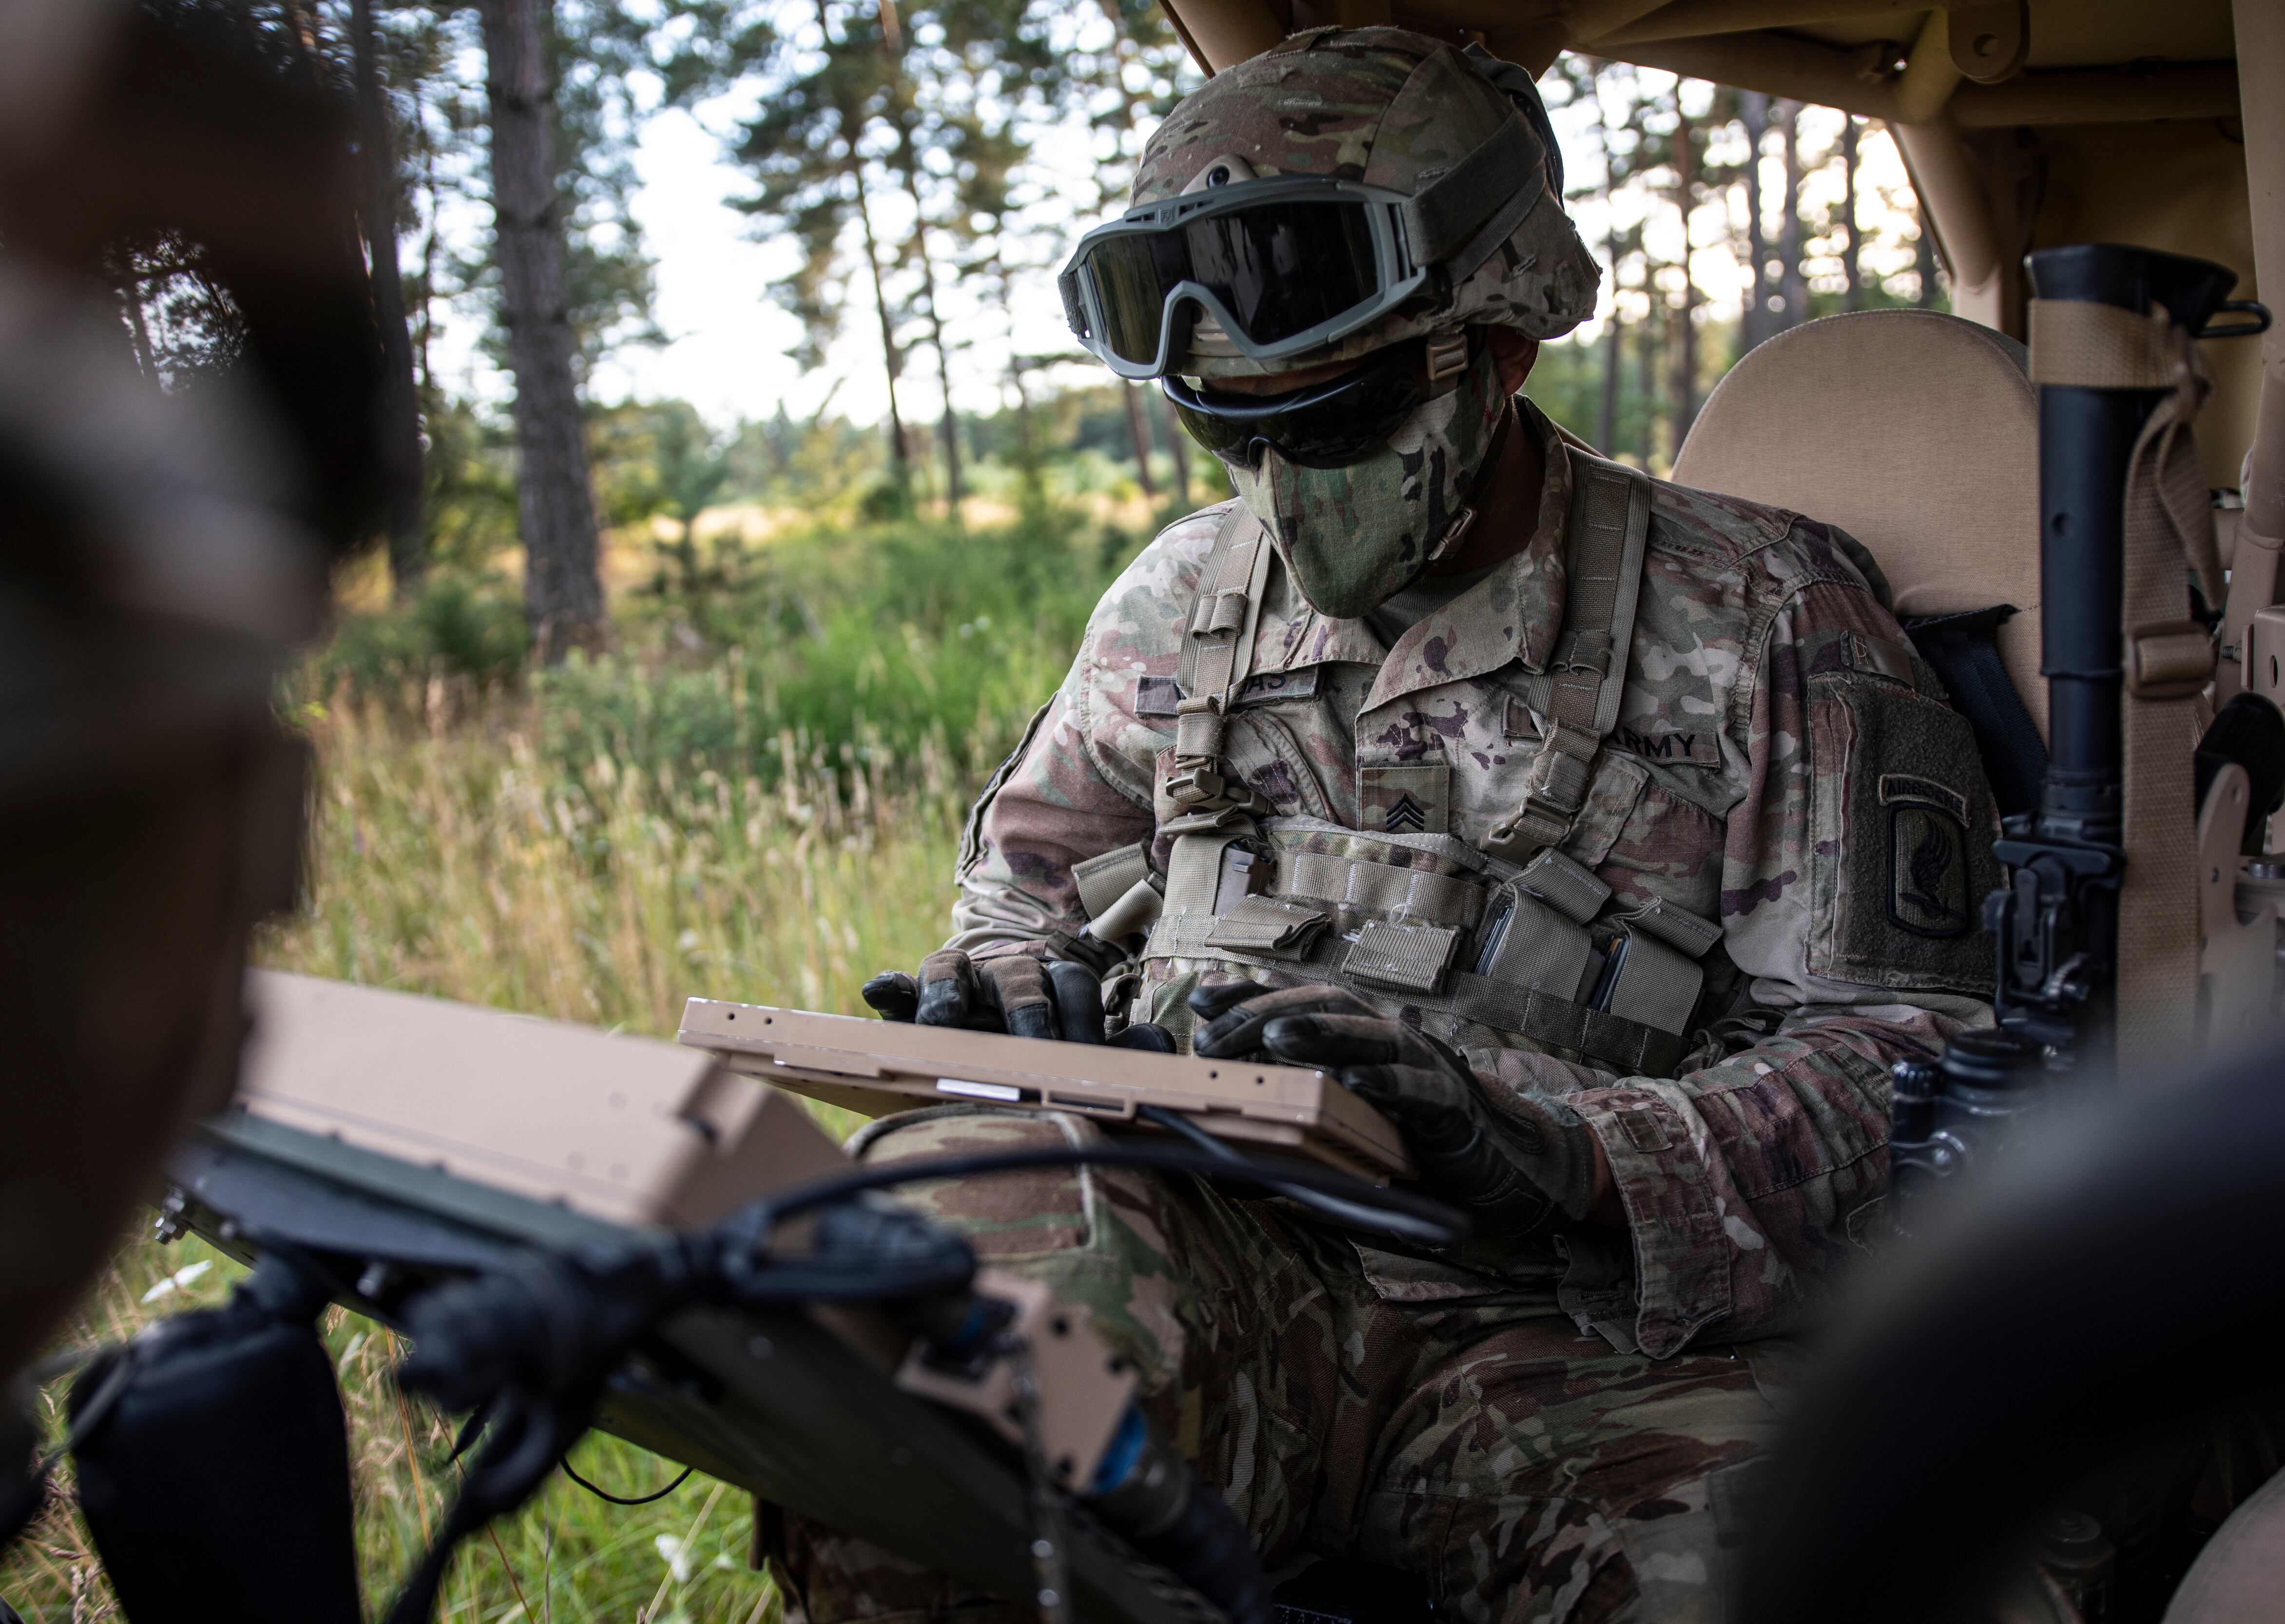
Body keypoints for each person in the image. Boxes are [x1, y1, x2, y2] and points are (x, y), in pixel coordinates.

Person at [763, 27, 2000, 1624]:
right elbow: (1021, 897)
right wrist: (1008, 989)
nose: (1277, 491)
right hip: (1228, 1262)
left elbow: (1915, 1070)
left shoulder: (1767, 613)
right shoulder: (1178, 604)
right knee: (921, 1439)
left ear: (1495, 355)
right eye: (1234, 434)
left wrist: (1559, 1148)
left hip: (1586, 1333)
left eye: (1331, 423)